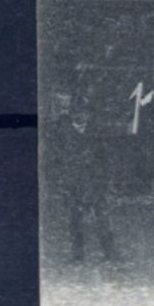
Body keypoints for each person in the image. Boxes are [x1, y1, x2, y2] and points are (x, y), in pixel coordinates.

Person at [53, 84, 122, 264]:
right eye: (76, 112)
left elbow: (107, 157)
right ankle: (77, 255)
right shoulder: (62, 131)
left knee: (101, 217)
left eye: (84, 112)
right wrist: (60, 179)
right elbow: (56, 157)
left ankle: (110, 253)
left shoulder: (97, 131)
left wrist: (107, 180)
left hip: (94, 181)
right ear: (71, 114)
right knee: (74, 219)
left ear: (89, 114)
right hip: (72, 181)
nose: (80, 115)